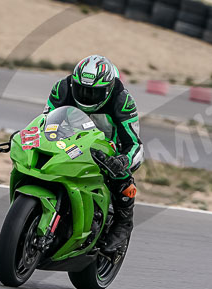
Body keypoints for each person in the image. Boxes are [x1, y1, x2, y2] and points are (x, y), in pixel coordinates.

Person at [45, 55, 142, 251]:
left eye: (93, 92)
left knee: (121, 176)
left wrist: (122, 160)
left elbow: (135, 145)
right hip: (68, 140)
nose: (86, 96)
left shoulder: (121, 100)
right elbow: (44, 120)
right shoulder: (62, 88)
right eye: (81, 89)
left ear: (107, 89)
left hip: (106, 148)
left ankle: (123, 223)